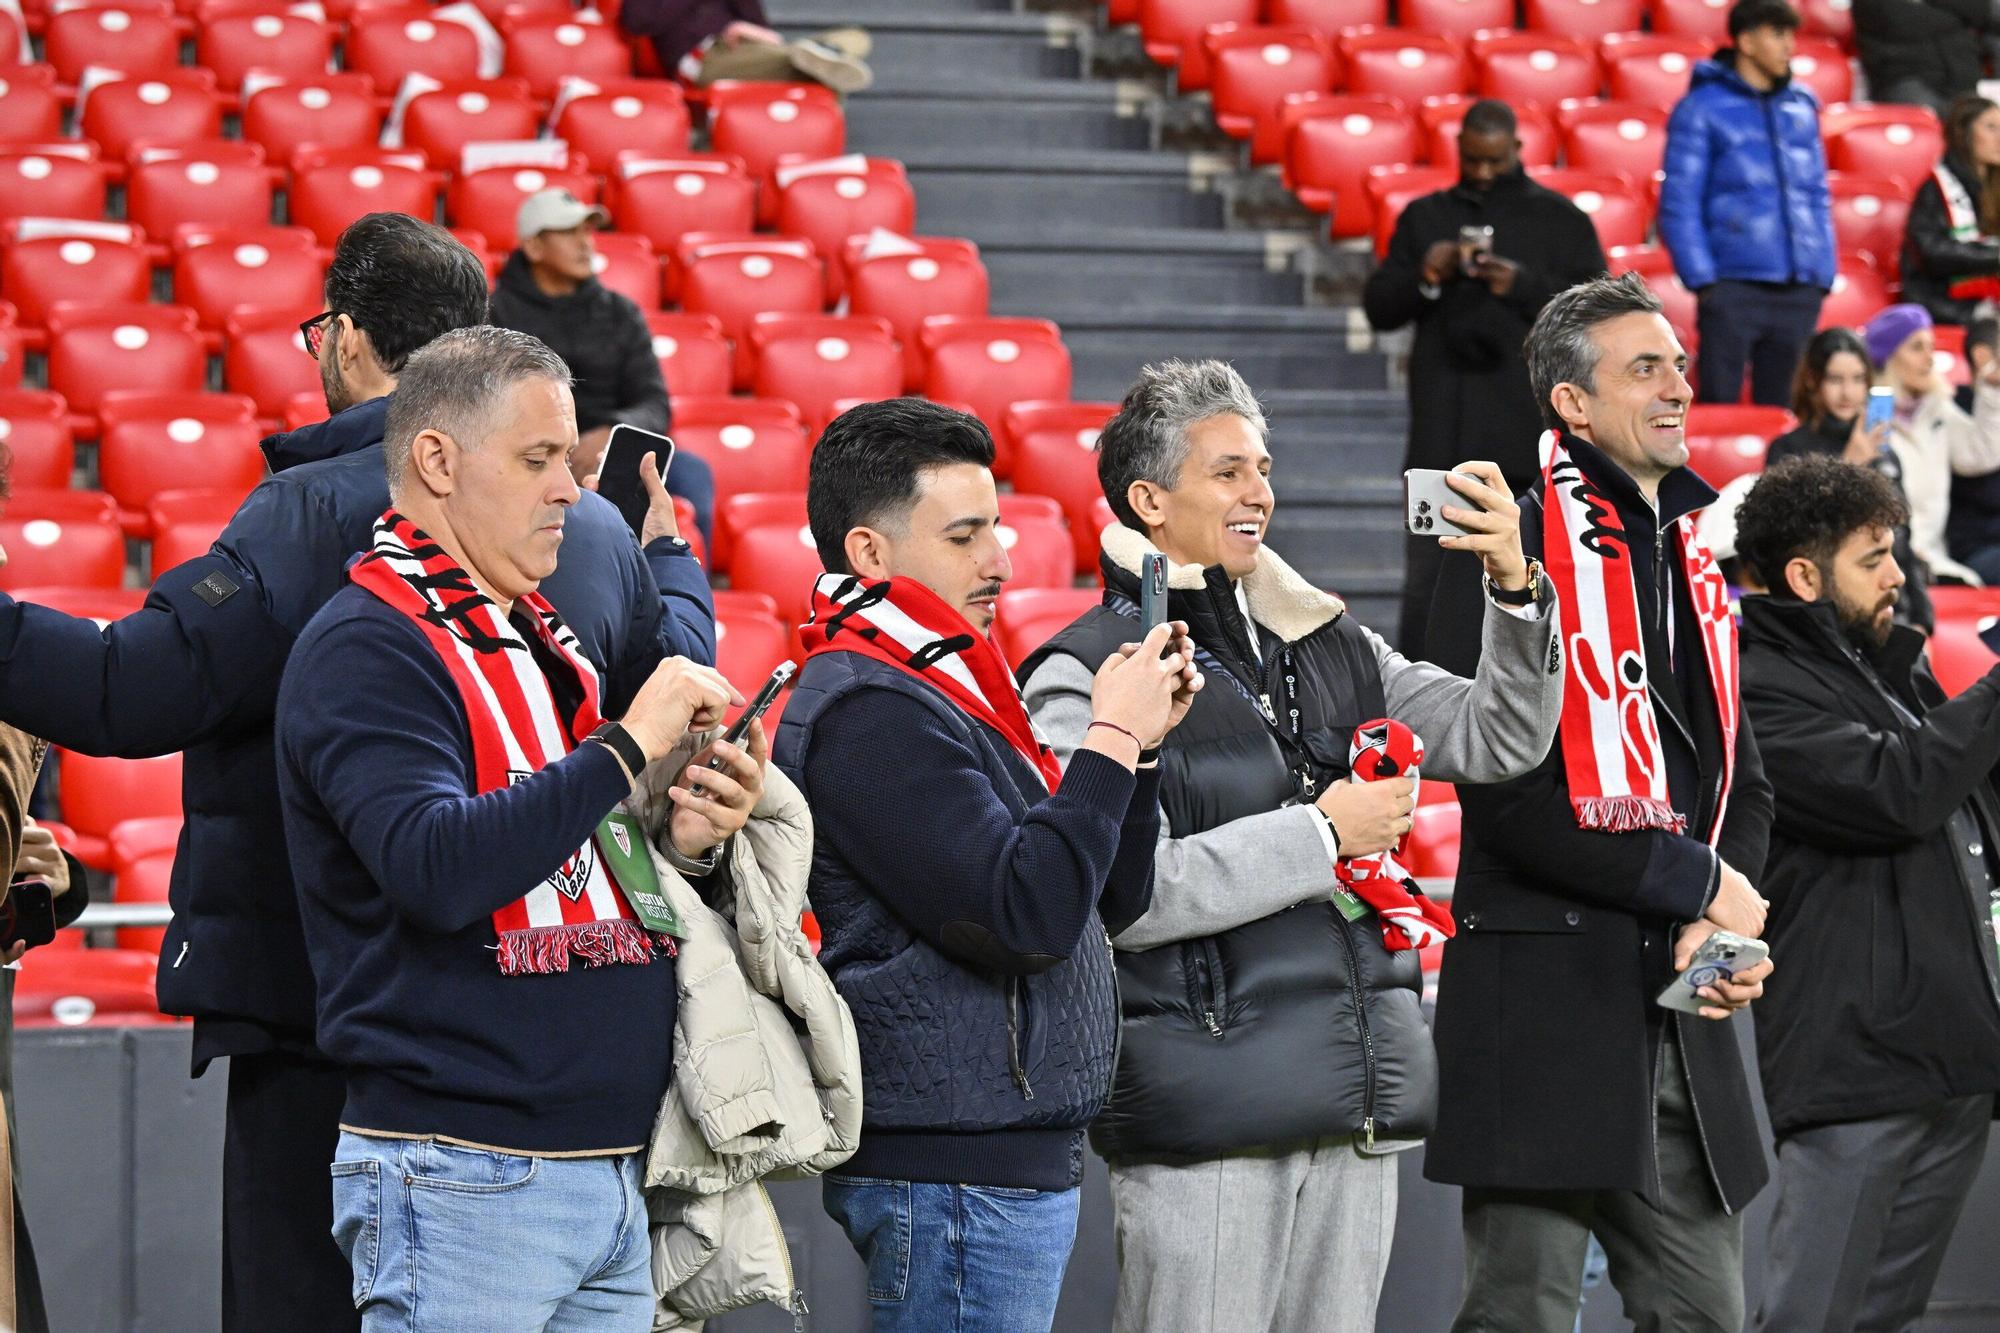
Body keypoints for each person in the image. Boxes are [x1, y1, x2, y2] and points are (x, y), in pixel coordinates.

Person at [0, 213, 716, 1330]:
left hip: (332, 1016)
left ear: (341, 337)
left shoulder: (311, 511)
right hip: (546, 1052)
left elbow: (121, 692)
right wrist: (671, 553)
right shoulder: (597, 532)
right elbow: (674, 683)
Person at [1016, 359, 1565, 1333]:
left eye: (1262, 468)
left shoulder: (1330, 640)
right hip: (1209, 1114)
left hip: (1354, 1099)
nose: (1257, 491)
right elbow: (1118, 897)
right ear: (1148, 499)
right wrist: (1321, 834)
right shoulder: (1085, 668)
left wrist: (1514, 589)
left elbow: (1498, 736)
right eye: (1226, 471)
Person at [276, 326, 758, 1327]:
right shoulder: (366, 645)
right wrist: (626, 747)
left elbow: (572, 844)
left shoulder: (536, 630)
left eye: (568, 459)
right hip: (464, 1176)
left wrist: (685, 829)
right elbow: (436, 866)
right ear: (436, 460)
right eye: (538, 459)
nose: (570, 491)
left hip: (596, 1171)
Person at [773, 397, 1198, 1333]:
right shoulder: (869, 708)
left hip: (992, 1159)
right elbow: (1026, 915)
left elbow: (1111, 900)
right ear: (870, 554)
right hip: (954, 1171)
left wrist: (1143, 748)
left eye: (998, 528)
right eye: (965, 535)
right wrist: (1108, 731)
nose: (1001, 560)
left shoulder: (948, 683)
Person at [1424, 271, 1778, 1332]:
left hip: (1680, 1009)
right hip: (1545, 1009)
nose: (1677, 384)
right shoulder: (1502, 539)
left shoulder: (1698, 554)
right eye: (1644, 368)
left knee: (1705, 1315)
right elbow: (1503, 795)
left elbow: (1740, 781)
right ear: (1571, 404)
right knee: (1518, 1316)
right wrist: (1701, 885)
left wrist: (1719, 914)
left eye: (1676, 363)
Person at [1733, 454, 2000, 1331]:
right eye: (1874, 557)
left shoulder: (1887, 667)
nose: (1898, 576)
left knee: (1885, 1320)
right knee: (1812, 1318)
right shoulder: (1755, 685)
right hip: (1855, 1066)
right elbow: (1900, 790)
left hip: (1950, 1059)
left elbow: (1968, 806)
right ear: (1805, 576)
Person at [1362, 98, 1606, 656]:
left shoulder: (1562, 222)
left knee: (1532, 584)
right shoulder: (1427, 217)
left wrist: (1523, 285)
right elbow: (1380, 307)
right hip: (1441, 443)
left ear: (1518, 149)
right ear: (1459, 151)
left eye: (1495, 161)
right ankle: (1415, 718)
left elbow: (1600, 318)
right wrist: (1428, 272)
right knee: (1428, 588)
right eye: (1473, 160)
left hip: (1533, 447)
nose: (1484, 173)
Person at [487, 187, 717, 546]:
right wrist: (559, 447)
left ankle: (686, 593)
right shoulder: (496, 314)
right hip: (532, 451)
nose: (585, 244)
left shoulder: (620, 313)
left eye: (587, 232)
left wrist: (612, 434)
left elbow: (654, 404)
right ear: (533, 246)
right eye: (568, 233)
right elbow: (491, 405)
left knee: (691, 476)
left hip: (614, 447)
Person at [1659, 0, 1836, 408]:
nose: (1789, 46)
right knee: (1718, 409)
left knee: (1785, 418)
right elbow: (1679, 203)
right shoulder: (1700, 108)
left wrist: (1820, 274)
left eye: (1791, 35)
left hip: (1799, 288)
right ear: (1745, 41)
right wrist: (1706, 283)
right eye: (1778, 34)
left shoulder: (1802, 107)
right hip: (1732, 288)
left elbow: (1816, 195)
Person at [1766, 325, 1934, 629]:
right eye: (1835, 379)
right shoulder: (1788, 449)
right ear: (1813, 381)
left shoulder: (1884, 453)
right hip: (1830, 613)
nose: (1848, 392)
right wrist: (1851, 465)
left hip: (1895, 612)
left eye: (1857, 379)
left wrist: (1925, 622)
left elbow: (1902, 540)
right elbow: (1791, 540)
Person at [1861, 302, 2000, 586]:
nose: (1930, 358)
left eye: (1931, 347)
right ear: (1888, 355)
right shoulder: (1872, 413)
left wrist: (1991, 389)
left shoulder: (1937, 407)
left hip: (1935, 558)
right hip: (1886, 558)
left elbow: (1980, 455)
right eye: (1917, 347)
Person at [616, 1, 872, 92]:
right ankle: (819, 54)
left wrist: (745, 30)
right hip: (705, 57)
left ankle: (820, 53)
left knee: (857, 35)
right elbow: (636, 23)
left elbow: (765, 32)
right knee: (822, 78)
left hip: (751, 51)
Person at [1901, 97, 2000, 327]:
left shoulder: (1994, 188)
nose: (1999, 137)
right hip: (1947, 306)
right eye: (1991, 127)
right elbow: (1931, 252)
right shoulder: (1937, 189)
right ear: (1963, 134)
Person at [1853, 0, 2000, 113]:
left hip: (1965, 80)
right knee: (1945, 121)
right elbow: (1903, 22)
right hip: (1906, 82)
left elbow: (1987, 11)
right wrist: (1958, 13)